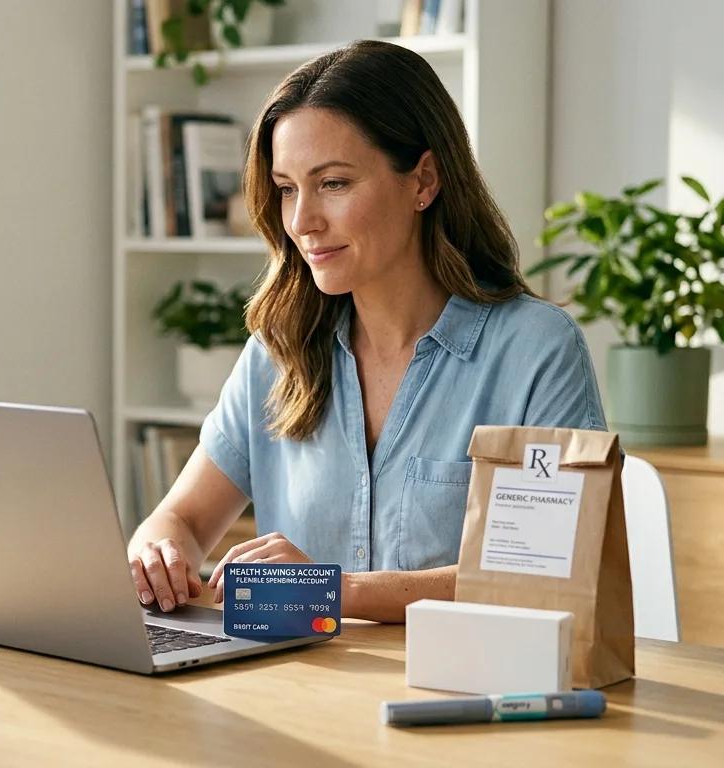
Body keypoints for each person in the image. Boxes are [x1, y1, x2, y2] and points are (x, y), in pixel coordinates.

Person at [126, 40, 606, 623]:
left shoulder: (537, 351)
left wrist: (336, 590)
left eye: (333, 183)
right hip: (295, 695)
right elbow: (181, 520)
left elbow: (545, 573)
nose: (302, 221)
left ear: (423, 180)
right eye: (286, 188)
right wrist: (159, 550)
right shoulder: (278, 353)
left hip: (462, 695)